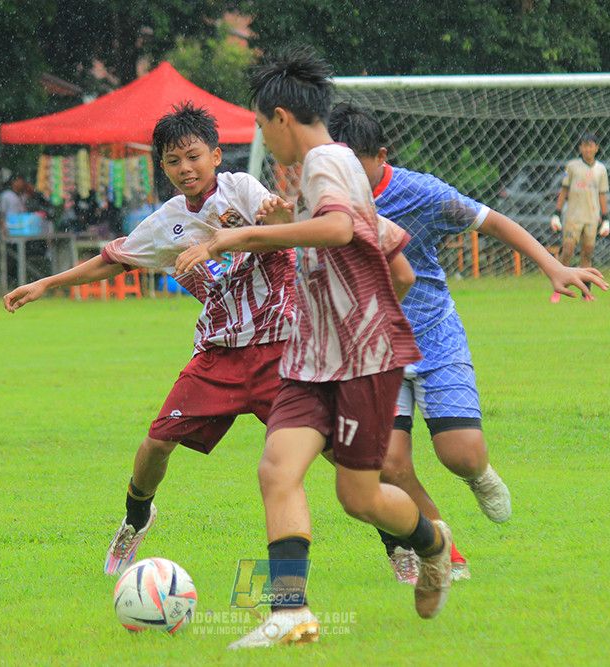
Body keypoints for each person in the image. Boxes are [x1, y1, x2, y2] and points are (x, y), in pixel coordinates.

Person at [175, 45, 452, 650]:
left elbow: (337, 228)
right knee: (277, 469)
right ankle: (289, 612)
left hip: (361, 361)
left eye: (259, 126)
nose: (263, 139)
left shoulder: (327, 160)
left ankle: (432, 544)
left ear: (280, 117)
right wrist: (367, 297)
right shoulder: (324, 170)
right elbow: (395, 260)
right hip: (312, 356)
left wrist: (245, 234)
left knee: (357, 497)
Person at [3, 102, 304, 580]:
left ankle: (403, 542)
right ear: (162, 167)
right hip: (219, 354)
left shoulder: (242, 190)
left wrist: (268, 220)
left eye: (193, 156)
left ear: (216, 155)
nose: (185, 168)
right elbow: (113, 259)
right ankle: (136, 518)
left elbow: (282, 236)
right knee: (156, 443)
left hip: (279, 349)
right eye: (173, 161)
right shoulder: (165, 222)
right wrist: (46, 284)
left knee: (330, 454)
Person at [328, 102, 610, 584]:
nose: (345, 174)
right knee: (390, 464)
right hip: (374, 349)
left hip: (434, 337)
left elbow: (494, 222)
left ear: (380, 155)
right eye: (335, 163)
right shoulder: (321, 201)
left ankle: (477, 474)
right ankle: (441, 550)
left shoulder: (421, 192)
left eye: (356, 162)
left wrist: (554, 267)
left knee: (461, 454)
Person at [550, 132, 610, 302]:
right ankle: (557, 291)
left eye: (591, 145)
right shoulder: (572, 167)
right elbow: (564, 191)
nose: (587, 149)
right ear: (580, 148)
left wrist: (605, 218)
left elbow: (602, 195)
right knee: (568, 250)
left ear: (596, 148)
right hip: (573, 217)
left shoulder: (601, 170)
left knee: (587, 254)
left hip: (591, 218)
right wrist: (557, 213)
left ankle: (586, 294)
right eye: (584, 145)